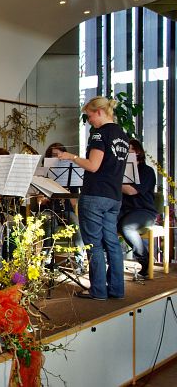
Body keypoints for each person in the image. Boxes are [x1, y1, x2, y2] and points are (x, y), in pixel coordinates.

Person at [58, 96, 129, 300]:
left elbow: (93, 165)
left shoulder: (99, 134)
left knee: (94, 244)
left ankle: (98, 290)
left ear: (99, 112)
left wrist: (72, 157)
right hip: (114, 196)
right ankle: (116, 289)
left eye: (89, 116)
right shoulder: (122, 135)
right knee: (112, 243)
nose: (89, 121)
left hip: (96, 195)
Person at [37, 142, 85, 272]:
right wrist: (47, 197)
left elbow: (74, 203)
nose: (57, 158)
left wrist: (65, 193)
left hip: (66, 210)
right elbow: (39, 200)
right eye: (53, 155)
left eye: (60, 155)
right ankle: (46, 259)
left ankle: (80, 262)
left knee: (76, 225)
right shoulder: (44, 174)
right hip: (49, 210)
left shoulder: (71, 176)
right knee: (49, 223)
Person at [118, 139, 157, 278]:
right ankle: (111, 265)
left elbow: (131, 191)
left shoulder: (147, 171)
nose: (128, 152)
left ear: (138, 152)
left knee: (127, 227)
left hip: (144, 211)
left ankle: (145, 260)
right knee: (104, 223)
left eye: (131, 150)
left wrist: (113, 181)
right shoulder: (120, 171)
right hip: (124, 211)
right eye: (126, 150)